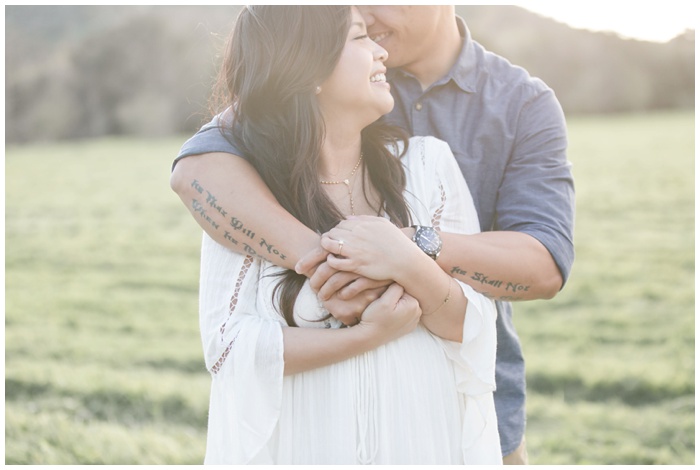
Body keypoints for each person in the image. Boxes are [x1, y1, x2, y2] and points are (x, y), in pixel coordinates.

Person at [171, 5, 575, 464]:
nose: (369, 12)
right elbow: (196, 169)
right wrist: (334, 264)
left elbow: (543, 266)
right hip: (312, 434)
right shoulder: (263, 151)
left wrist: (408, 250)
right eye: (360, 30)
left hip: (463, 410)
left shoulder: (515, 105)